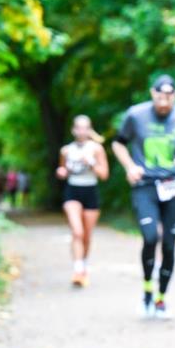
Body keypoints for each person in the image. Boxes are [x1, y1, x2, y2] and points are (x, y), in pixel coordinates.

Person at [112, 74, 175, 320]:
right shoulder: (136, 115)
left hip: (173, 185)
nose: (164, 101)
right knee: (151, 236)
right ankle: (146, 292)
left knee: (169, 244)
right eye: (160, 96)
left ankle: (161, 299)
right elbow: (118, 143)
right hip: (145, 185)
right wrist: (129, 167)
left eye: (169, 96)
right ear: (152, 93)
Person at [56, 115, 109, 287]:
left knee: (86, 235)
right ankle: (78, 269)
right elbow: (63, 170)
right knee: (77, 232)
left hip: (90, 191)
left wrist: (92, 163)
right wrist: (62, 172)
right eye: (78, 127)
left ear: (89, 129)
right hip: (72, 191)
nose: (82, 131)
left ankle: (83, 264)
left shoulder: (96, 148)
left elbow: (104, 174)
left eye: (85, 127)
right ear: (73, 130)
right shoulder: (66, 150)